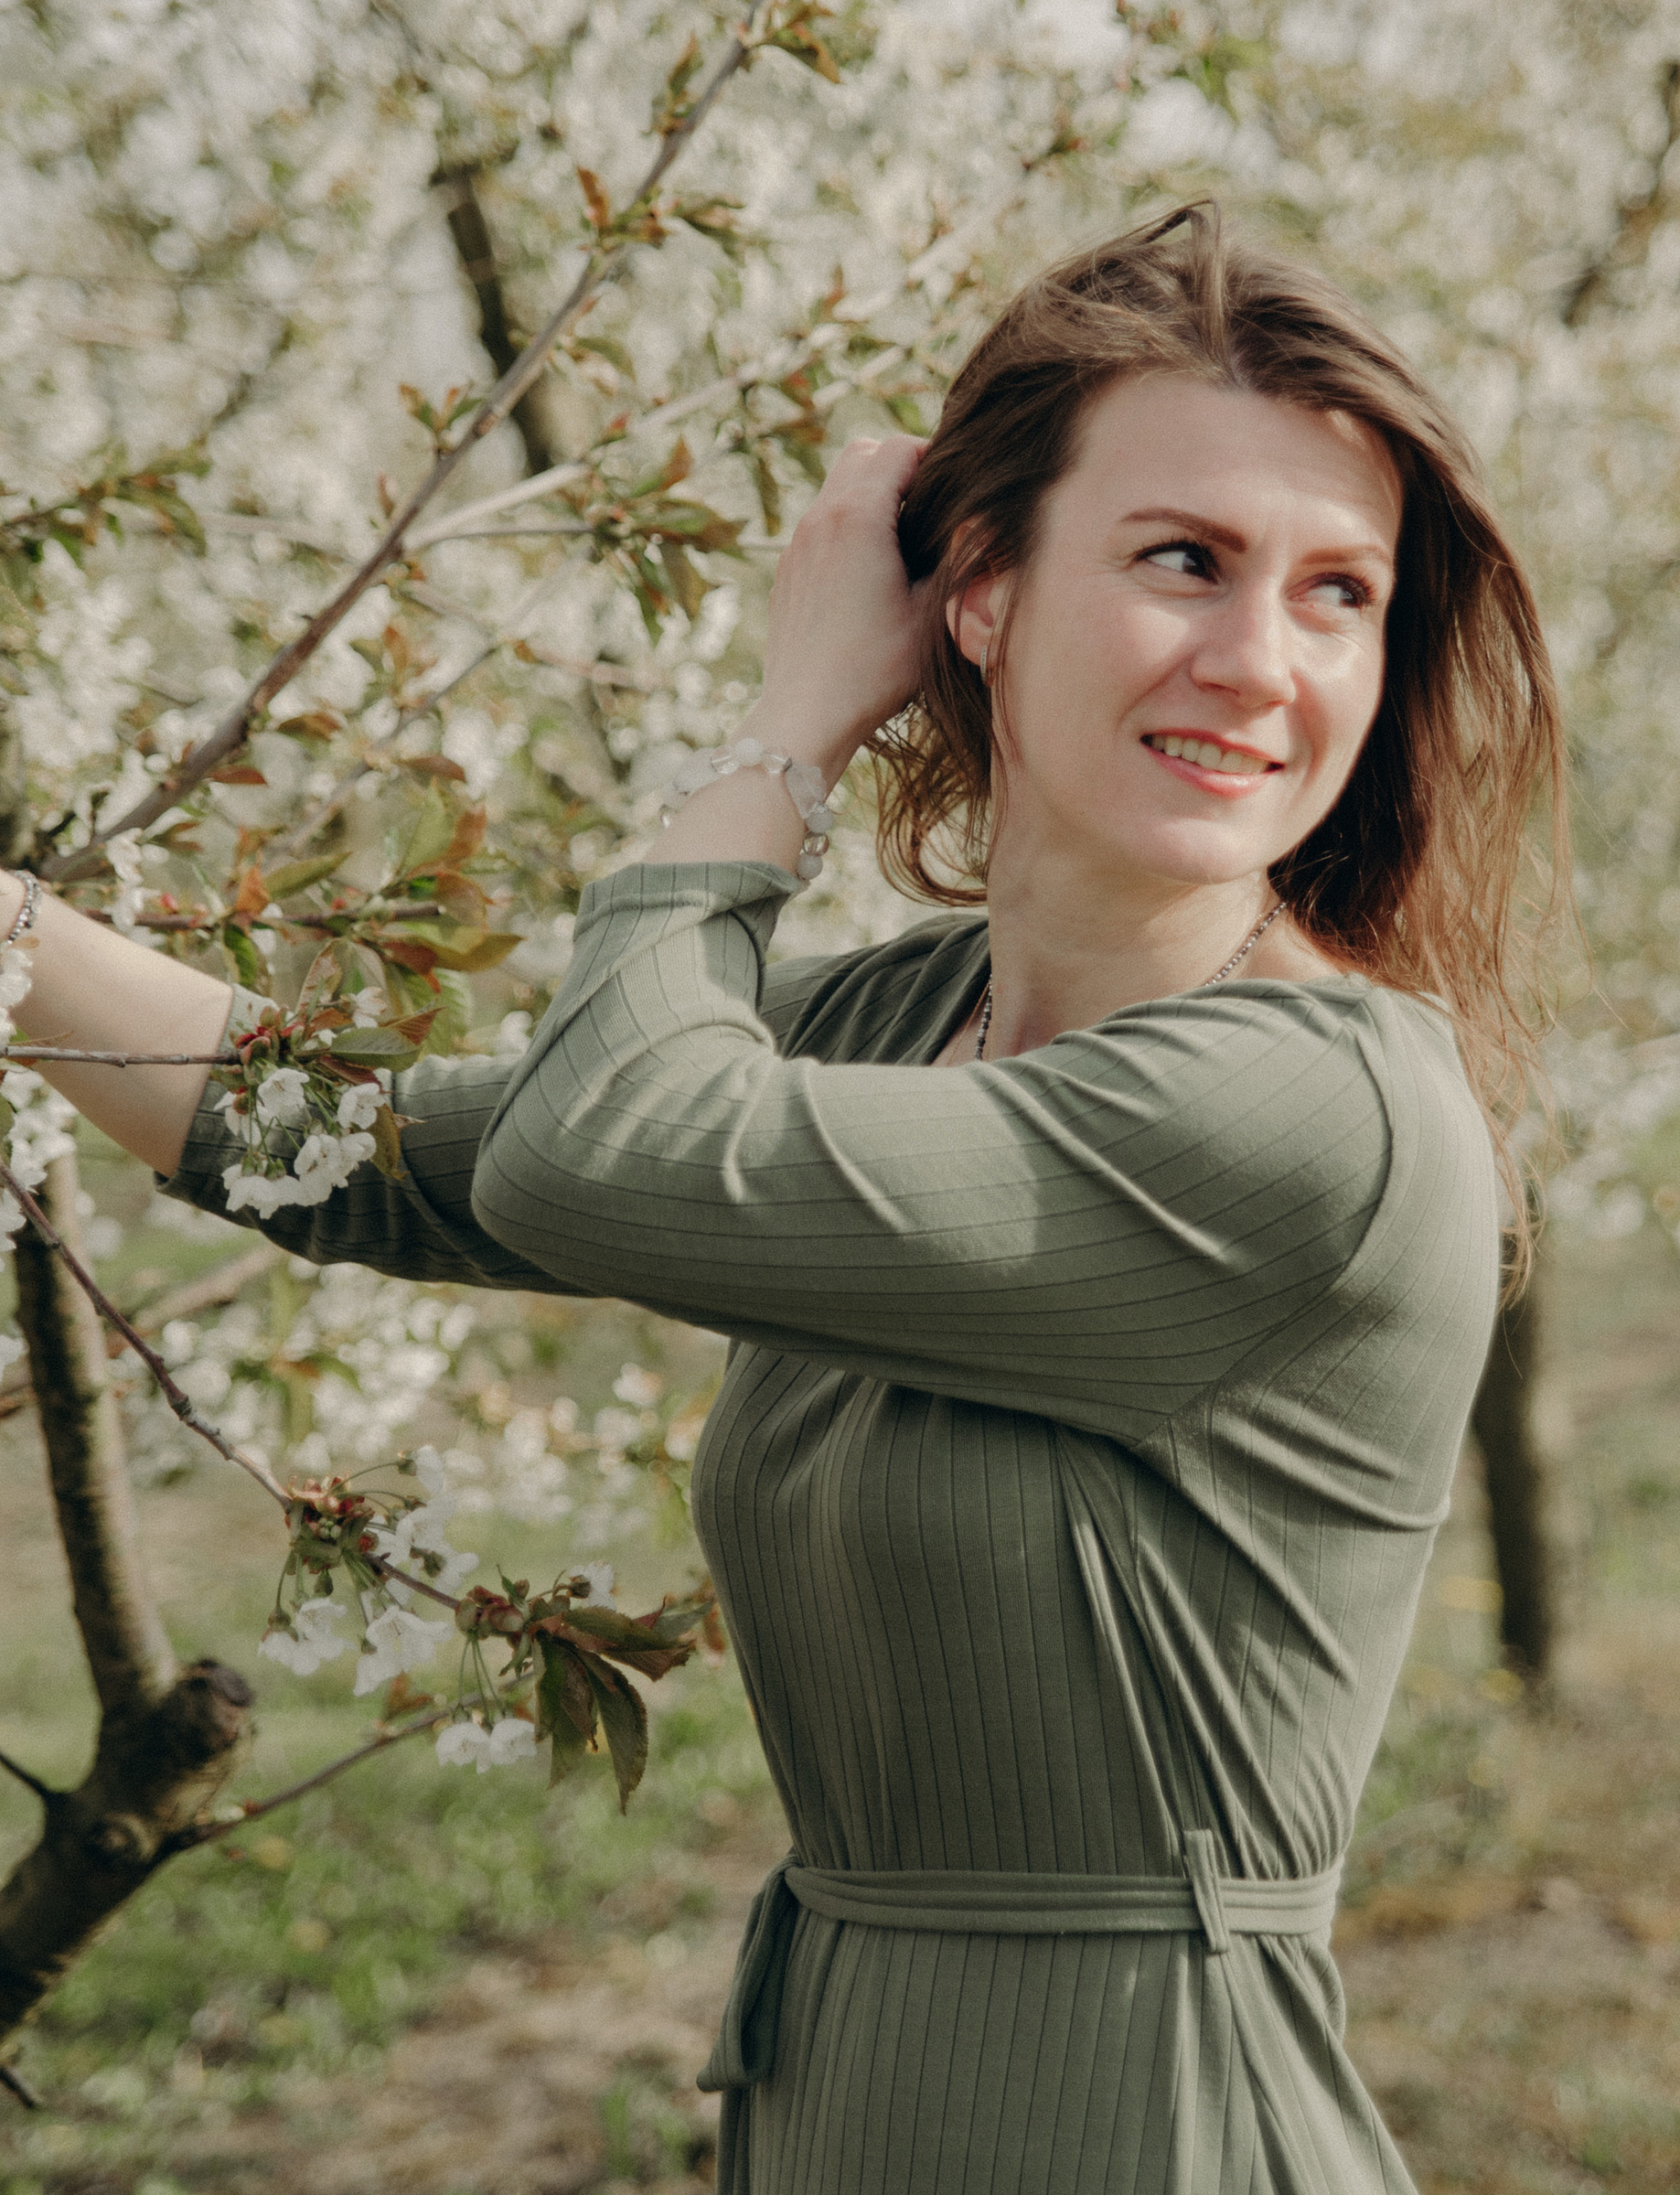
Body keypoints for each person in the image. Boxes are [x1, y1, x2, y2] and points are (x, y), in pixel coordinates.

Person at [11, 205, 1562, 2193]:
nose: (1261, 660)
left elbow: (611, 1146)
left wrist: (789, 726)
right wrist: (13, 939)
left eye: (1337, 592)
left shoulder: (1309, 1118)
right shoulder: (918, 1019)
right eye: (1185, 559)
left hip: (1139, 2128)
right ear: (982, 588)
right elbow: (368, 1156)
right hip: (839, 2104)